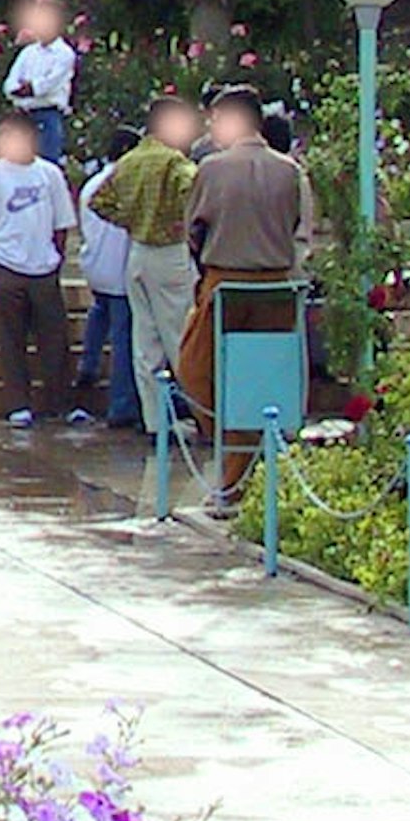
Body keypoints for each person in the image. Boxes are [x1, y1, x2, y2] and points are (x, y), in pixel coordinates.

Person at [181, 86, 315, 515]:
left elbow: (193, 230)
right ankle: (245, 466)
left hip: (226, 282)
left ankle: (236, 471)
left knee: (196, 372)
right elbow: (301, 228)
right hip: (277, 285)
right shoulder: (290, 171)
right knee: (265, 381)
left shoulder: (212, 169)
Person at [103, 94, 205, 445]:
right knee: (181, 339)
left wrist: (130, 220)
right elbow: (195, 191)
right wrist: (181, 224)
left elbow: (100, 200)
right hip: (170, 253)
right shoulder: (175, 163)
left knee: (145, 344)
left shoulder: (130, 161)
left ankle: (154, 422)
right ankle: (203, 418)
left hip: (138, 253)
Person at [0, 110, 78, 429]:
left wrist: (53, 258)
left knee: (55, 337)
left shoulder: (50, 174)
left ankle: (61, 402)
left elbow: (62, 224)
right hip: (7, 264)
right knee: (11, 338)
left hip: (43, 265)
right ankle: (19, 403)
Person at [73, 151, 137, 428]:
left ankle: (88, 365)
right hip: (121, 271)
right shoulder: (127, 184)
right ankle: (121, 405)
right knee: (124, 339)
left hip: (96, 267)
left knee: (99, 313)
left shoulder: (92, 184)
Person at [1, 0, 76, 165]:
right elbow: (10, 83)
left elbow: (48, 84)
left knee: (46, 166)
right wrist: (18, 90)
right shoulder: (28, 53)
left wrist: (30, 88)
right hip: (22, 118)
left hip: (47, 116)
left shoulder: (64, 54)